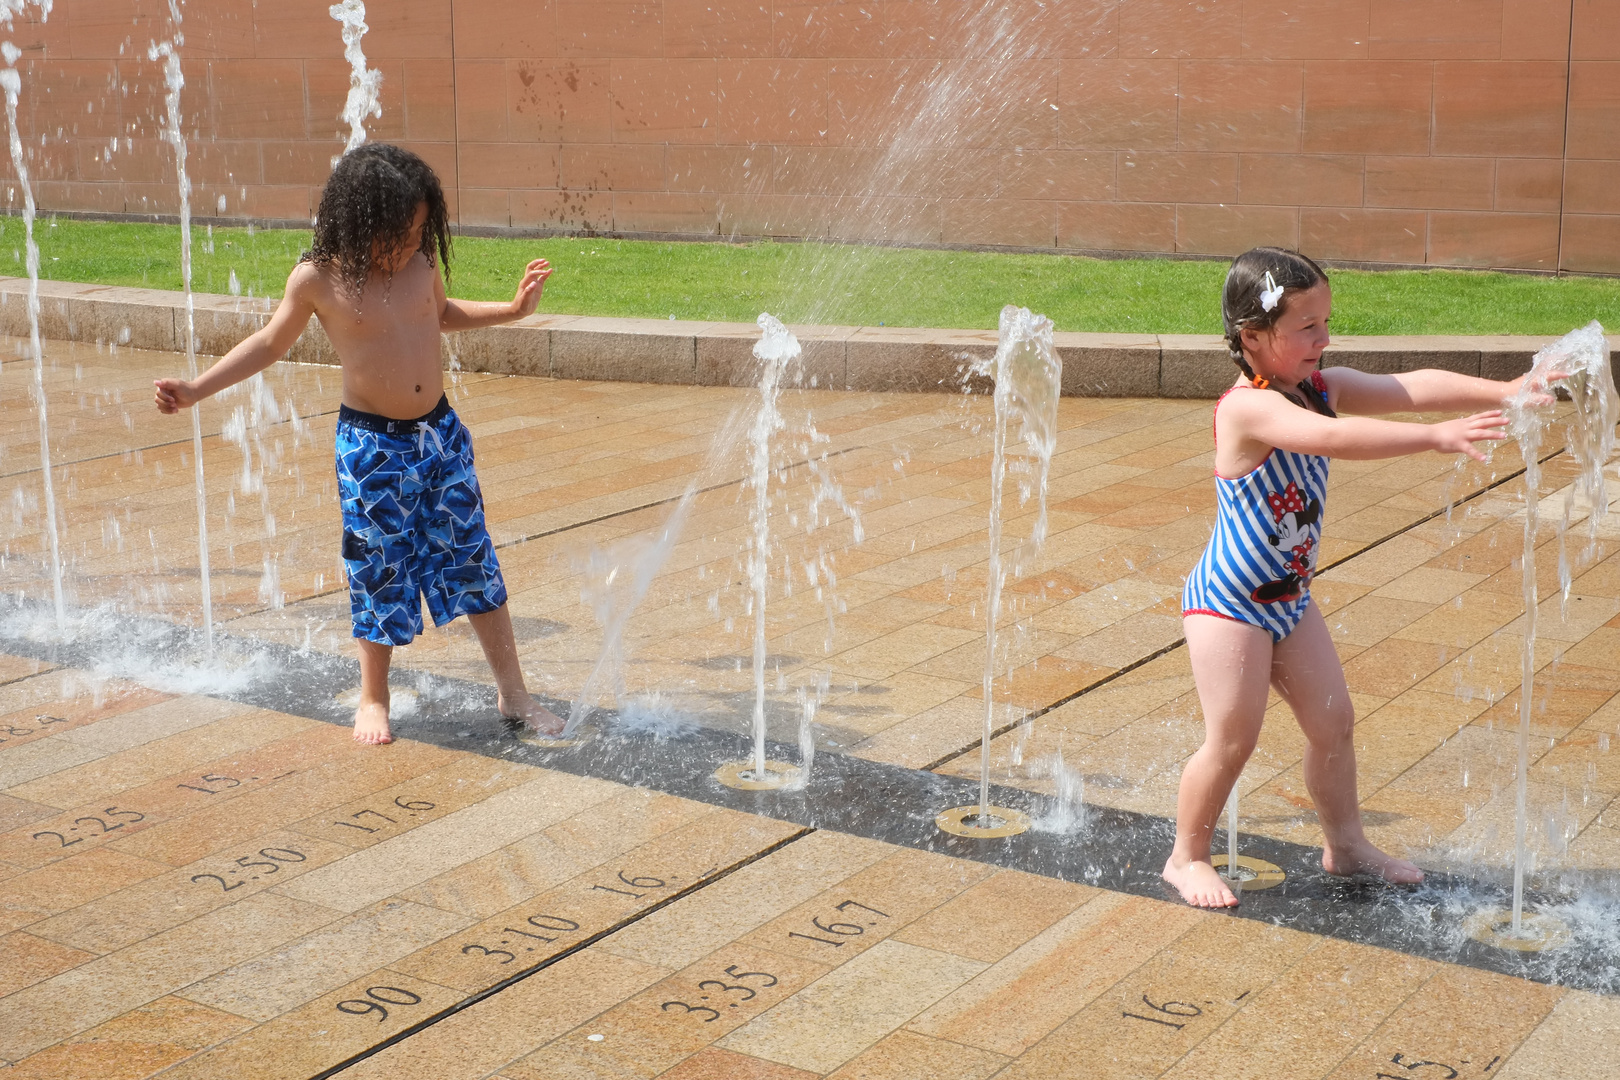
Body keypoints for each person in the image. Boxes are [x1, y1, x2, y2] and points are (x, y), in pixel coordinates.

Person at [1165, 246, 1546, 908]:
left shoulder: (1320, 386)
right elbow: (1330, 441)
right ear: (1253, 338)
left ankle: (1345, 843)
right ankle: (1186, 857)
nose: (1324, 338)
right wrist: (1434, 439)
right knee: (1233, 739)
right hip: (1229, 603)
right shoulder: (1246, 410)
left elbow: (1410, 386)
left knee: (1334, 722)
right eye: (1307, 327)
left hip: (1288, 601)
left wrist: (1505, 391)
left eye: (1326, 321)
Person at [154, 143, 563, 745]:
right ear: (361, 224)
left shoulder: (420, 263)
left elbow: (440, 311)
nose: (411, 244)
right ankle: (374, 697)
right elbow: (269, 345)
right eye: (399, 233)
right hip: (374, 450)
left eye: (421, 230)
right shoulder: (319, 280)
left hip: (441, 436)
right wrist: (195, 388)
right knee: (378, 569)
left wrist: (510, 309)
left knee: (474, 558)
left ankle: (514, 692)